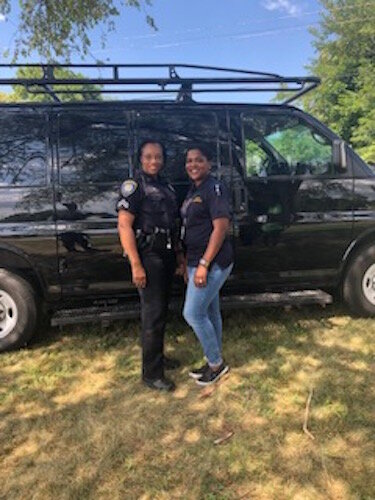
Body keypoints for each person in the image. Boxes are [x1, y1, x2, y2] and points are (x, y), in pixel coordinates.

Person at [117, 140, 183, 392]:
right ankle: (151, 374)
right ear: (140, 159)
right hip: (149, 256)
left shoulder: (164, 185)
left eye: (158, 156)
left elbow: (173, 223)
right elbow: (124, 226)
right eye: (148, 157)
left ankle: (158, 357)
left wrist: (178, 255)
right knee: (152, 315)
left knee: (162, 310)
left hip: (166, 253)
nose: (154, 161)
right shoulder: (134, 186)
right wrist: (136, 265)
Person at [181, 145, 234, 386]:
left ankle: (216, 365)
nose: (193, 164)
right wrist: (187, 264)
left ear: (209, 164)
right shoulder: (194, 190)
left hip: (213, 262)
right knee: (210, 312)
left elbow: (220, 228)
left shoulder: (214, 188)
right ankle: (213, 358)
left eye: (199, 160)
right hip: (195, 261)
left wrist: (203, 264)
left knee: (192, 313)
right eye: (190, 161)